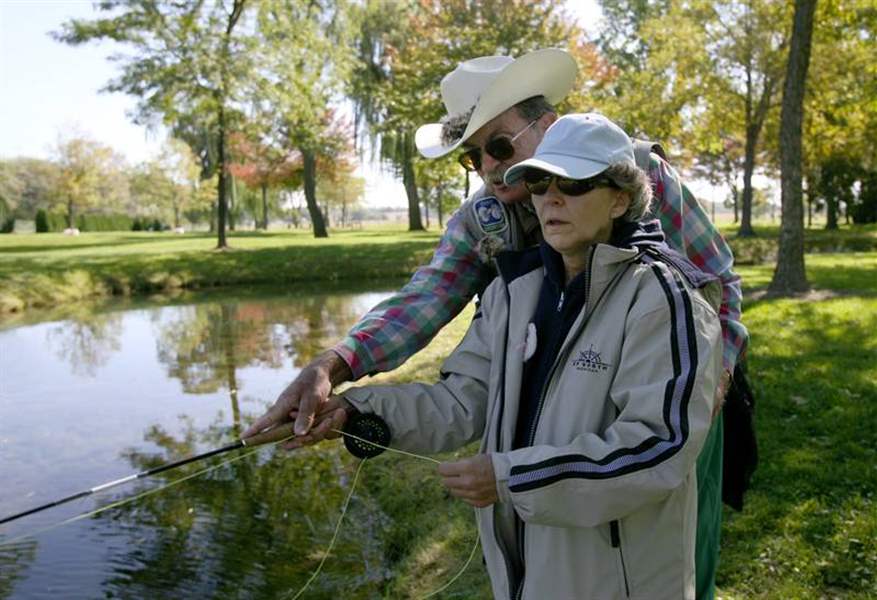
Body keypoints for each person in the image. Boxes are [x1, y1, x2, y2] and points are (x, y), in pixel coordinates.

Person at [243, 48, 748, 599]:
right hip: (548, 434)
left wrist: (711, 381)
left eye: (500, 146)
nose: (487, 167)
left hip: (675, 387)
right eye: (472, 156)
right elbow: (430, 302)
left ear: (547, 127)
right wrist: (337, 369)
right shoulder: (492, 236)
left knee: (669, 551)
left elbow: (714, 284)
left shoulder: (637, 174)